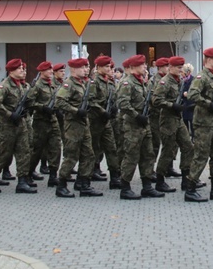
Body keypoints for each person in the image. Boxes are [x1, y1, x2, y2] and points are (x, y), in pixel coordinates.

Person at [0, 59, 37, 195]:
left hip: (21, 124)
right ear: (11, 71)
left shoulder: (22, 86)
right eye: (19, 69)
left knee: (24, 153)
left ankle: (22, 182)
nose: (22, 71)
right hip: (7, 126)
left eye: (22, 68)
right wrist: (9, 114)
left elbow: (29, 101)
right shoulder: (4, 86)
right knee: (4, 155)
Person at [184, 47, 213, 202]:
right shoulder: (201, 77)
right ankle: (190, 188)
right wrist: (209, 104)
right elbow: (192, 94)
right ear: (209, 60)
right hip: (203, 122)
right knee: (201, 155)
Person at [115, 54, 163, 200]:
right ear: (134, 67)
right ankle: (125, 187)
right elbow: (123, 104)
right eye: (142, 65)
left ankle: (147, 186)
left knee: (148, 155)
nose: (145, 67)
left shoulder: (141, 82)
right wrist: (136, 115)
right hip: (132, 125)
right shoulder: (127, 83)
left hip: (144, 124)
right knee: (131, 156)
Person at [53, 58, 103, 198]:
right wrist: (75, 110)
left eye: (86, 67)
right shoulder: (69, 84)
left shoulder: (83, 83)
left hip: (84, 123)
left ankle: (83, 183)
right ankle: (61, 185)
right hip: (73, 124)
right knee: (71, 156)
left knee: (88, 154)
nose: (85, 70)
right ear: (73, 69)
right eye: (82, 68)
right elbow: (59, 102)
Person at [152, 56, 194, 193]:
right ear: (170, 67)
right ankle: (160, 180)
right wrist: (172, 105)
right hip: (168, 119)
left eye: (181, 67)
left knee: (188, 146)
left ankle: (185, 179)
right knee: (168, 150)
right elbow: (156, 100)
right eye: (178, 67)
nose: (180, 70)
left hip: (178, 118)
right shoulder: (165, 82)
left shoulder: (179, 81)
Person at [25, 61, 62, 188]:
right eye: (48, 70)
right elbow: (29, 102)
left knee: (55, 148)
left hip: (53, 120)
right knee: (37, 150)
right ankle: (28, 173)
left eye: (51, 70)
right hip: (41, 122)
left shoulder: (53, 85)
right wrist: (43, 107)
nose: (51, 72)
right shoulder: (37, 86)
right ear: (41, 72)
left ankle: (53, 176)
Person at [88, 55, 121, 188]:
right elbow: (91, 101)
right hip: (95, 120)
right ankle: (85, 178)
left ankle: (115, 178)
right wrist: (103, 111)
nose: (109, 69)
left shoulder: (110, 82)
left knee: (111, 148)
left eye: (110, 66)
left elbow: (114, 98)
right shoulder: (94, 83)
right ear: (99, 68)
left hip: (106, 121)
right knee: (93, 150)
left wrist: (113, 109)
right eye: (106, 66)